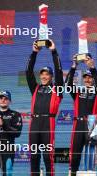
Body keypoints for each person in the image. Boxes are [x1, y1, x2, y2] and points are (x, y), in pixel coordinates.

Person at [26, 39, 64, 176]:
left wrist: (54, 51)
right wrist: (34, 53)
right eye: (42, 74)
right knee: (34, 157)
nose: (43, 76)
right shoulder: (35, 88)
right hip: (34, 124)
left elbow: (59, 71)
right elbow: (28, 71)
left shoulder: (57, 89)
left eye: (47, 74)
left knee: (48, 157)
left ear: (51, 77)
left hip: (48, 123)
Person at [66, 56, 97, 175]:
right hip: (78, 123)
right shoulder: (78, 92)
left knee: (90, 155)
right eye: (86, 77)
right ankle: (73, 173)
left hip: (91, 124)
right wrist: (74, 66)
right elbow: (68, 85)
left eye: (90, 78)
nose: (88, 80)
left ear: (93, 79)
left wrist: (92, 68)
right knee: (74, 154)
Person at [0, 90, 23, 176]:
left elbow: (17, 133)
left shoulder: (15, 115)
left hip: (8, 147)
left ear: (10, 101)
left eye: (6, 98)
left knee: (8, 172)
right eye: (1, 98)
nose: (3, 100)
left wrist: (3, 124)